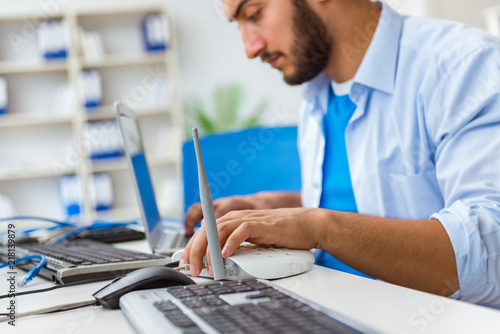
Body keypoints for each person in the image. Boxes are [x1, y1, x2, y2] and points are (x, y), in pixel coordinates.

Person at [181, 0, 500, 308]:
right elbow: (362, 201)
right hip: (322, 306)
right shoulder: (317, 91)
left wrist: (319, 226)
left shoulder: (463, 64)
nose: (250, 48)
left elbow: (490, 255)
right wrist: (268, 208)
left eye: (253, 13)